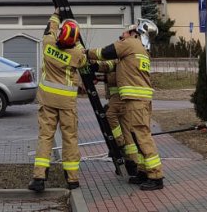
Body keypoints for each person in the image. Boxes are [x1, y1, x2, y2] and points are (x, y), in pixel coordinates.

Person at [87, 19, 164, 191]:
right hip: (137, 99)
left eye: (128, 32)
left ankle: (156, 175)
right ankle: (144, 171)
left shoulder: (131, 44)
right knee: (138, 135)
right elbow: (117, 70)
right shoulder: (140, 50)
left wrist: (85, 53)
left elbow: (106, 52)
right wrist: (99, 72)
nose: (123, 35)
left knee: (142, 136)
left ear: (135, 33)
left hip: (136, 99)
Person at [28, 13, 86, 192]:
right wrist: (76, 39)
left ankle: (39, 177)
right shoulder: (77, 54)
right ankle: (72, 179)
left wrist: (56, 15)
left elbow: (50, 28)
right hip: (67, 103)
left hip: (47, 100)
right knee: (70, 138)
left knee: (46, 137)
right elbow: (82, 57)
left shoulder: (47, 44)